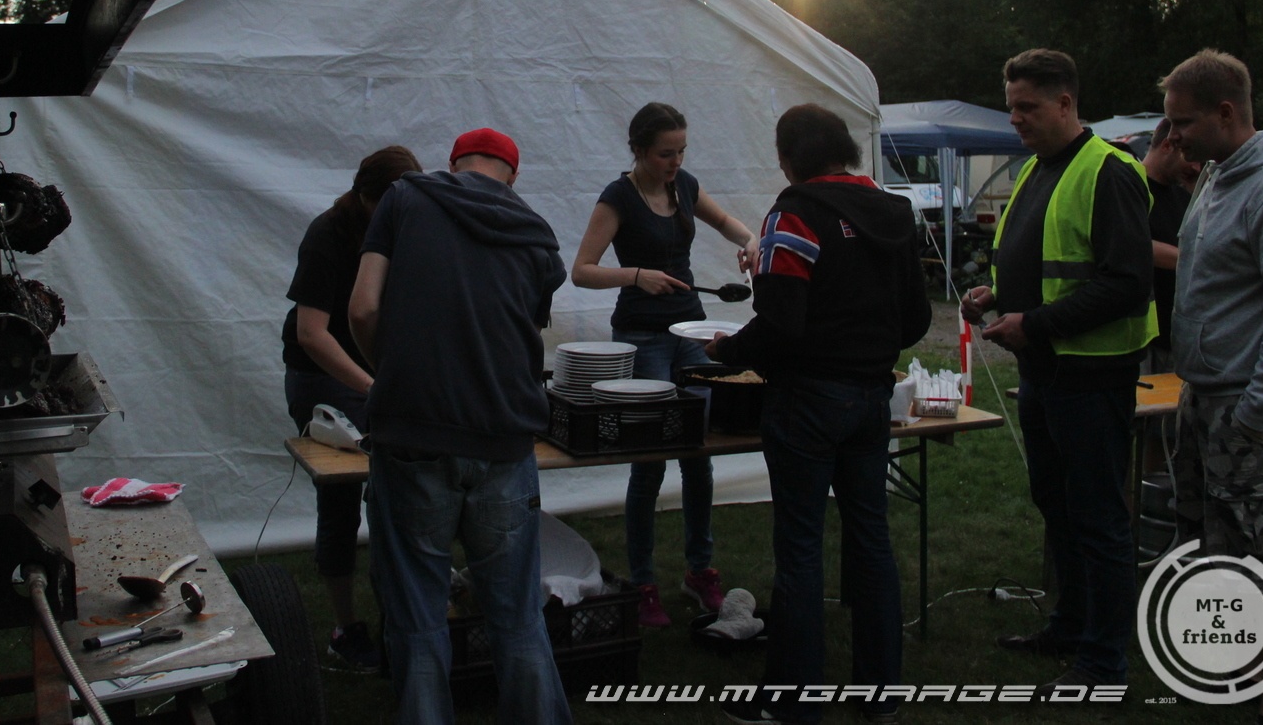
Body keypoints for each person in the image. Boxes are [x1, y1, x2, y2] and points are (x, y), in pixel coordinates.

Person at [706, 104, 931, 725]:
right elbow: (916, 318)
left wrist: (728, 351)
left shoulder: (795, 212)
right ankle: (880, 695)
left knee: (801, 549)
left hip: (807, 400)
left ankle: (791, 702)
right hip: (871, 398)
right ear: (847, 150)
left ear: (789, 158)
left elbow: (780, 321)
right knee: (871, 541)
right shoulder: (895, 212)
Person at [349, 128, 570, 725]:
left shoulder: (405, 198)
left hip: (413, 437)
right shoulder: (537, 235)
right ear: (513, 176)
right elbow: (519, 337)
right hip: (503, 439)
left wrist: (394, 375)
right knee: (517, 618)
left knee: (419, 620)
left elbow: (363, 308)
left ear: (453, 165)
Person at [960, 48, 1155, 696]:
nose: (1015, 118)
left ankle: (1103, 662)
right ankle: (1070, 627)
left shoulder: (1109, 171)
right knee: (1059, 507)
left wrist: (1036, 323)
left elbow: (1126, 282)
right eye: (1011, 106)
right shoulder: (1037, 169)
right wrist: (994, 293)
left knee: (1098, 517)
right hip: (1045, 371)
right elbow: (1045, 262)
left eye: (1028, 107)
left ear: (1066, 102)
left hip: (1091, 374)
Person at [1161, 51, 1263, 725]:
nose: (1173, 138)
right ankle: (1234, 679)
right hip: (1208, 396)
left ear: (1226, 113)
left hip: (1258, 408)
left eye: (1182, 123)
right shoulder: (1218, 174)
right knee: (1216, 548)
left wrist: (1257, 413)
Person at [570, 101, 759, 626]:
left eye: (681, 152)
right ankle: (644, 582)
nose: (675, 162)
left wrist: (750, 241)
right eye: (665, 154)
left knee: (699, 453)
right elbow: (581, 270)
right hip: (642, 336)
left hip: (689, 333)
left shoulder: (685, 187)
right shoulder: (618, 197)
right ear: (637, 150)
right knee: (650, 458)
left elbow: (727, 223)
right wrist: (636, 275)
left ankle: (700, 571)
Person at [281, 145, 421, 669]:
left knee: (399, 492)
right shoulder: (328, 235)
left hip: (376, 372)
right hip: (322, 376)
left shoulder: (405, 228)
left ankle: (404, 615)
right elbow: (311, 334)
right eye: (389, 204)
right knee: (340, 498)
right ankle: (345, 629)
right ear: (365, 197)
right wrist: (372, 386)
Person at [1142, 118, 1194, 374]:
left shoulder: (1183, 195)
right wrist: (1191, 260)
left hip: (1179, 337)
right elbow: (1133, 245)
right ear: (1166, 146)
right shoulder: (1131, 187)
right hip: (1146, 338)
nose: (1194, 164)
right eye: (1186, 154)